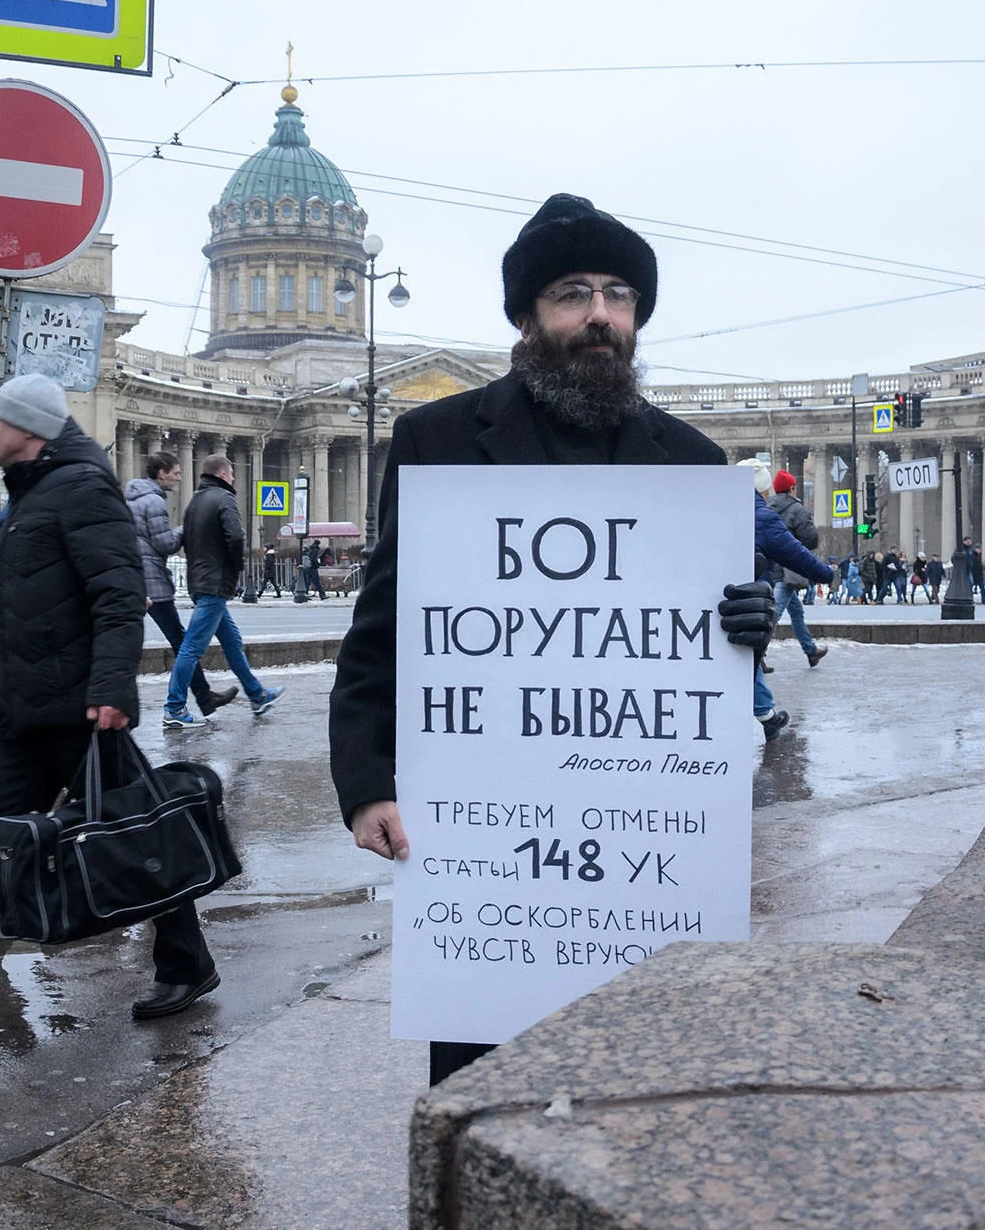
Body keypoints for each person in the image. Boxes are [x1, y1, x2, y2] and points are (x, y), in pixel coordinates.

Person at [328, 193, 778, 1087]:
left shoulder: (691, 461)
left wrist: (743, 628)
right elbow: (383, 625)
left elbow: (683, 658)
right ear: (529, 316)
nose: (601, 314)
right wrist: (365, 784)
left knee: (642, 1077)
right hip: (488, 851)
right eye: (573, 292)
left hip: (636, 845)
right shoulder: (440, 437)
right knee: (482, 1080)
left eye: (619, 294)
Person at [0, 374, 209, 1032]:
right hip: (28, 711)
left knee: (139, 839)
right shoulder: (34, 494)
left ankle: (188, 961)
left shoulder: (80, 488)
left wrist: (111, 690)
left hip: (81, 709)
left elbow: (117, 592)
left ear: (32, 427)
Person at [161, 454, 283, 729]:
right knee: (192, 647)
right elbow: (236, 536)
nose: (234, 478)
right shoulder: (224, 499)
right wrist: (236, 567)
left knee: (231, 641)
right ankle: (174, 708)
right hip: (215, 583)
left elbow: (189, 541)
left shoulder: (195, 502)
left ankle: (257, 695)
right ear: (222, 474)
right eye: (231, 474)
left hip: (200, 581)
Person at [125, 453, 238, 719]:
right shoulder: (153, 501)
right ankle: (180, 706)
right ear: (161, 473)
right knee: (182, 642)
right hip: (151, 580)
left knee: (178, 639)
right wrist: (187, 528)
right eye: (176, 472)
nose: (179, 477)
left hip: (140, 577)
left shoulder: (135, 498)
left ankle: (203, 696)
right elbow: (164, 544)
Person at [765, 470, 826, 668]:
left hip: (768, 566)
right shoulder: (797, 510)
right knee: (774, 612)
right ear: (792, 488)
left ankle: (810, 651)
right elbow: (811, 538)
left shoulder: (767, 506)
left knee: (796, 611)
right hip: (787, 568)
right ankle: (758, 654)